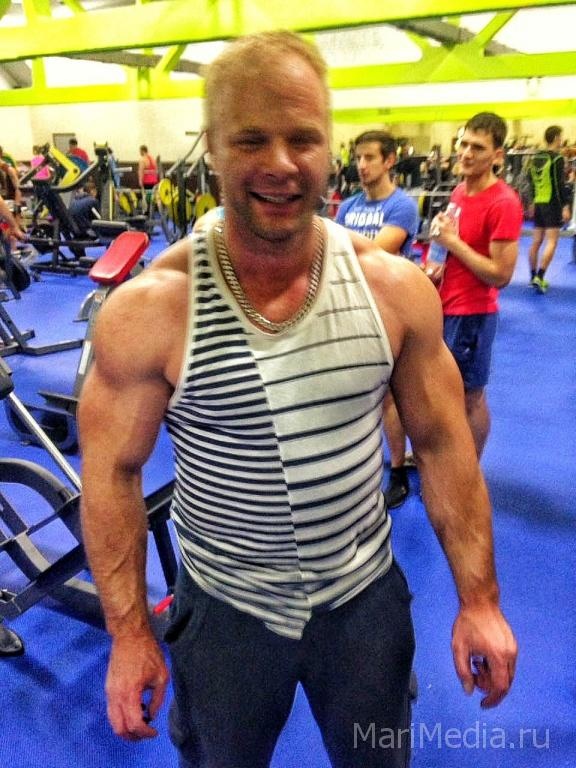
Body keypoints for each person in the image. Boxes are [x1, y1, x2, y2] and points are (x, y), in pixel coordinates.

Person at [79, 32, 517, 768]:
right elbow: (110, 473)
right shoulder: (153, 311)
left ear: (329, 148)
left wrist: (480, 600)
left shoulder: (394, 290)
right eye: (252, 139)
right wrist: (128, 635)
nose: (281, 164)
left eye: (303, 139)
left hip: (363, 598)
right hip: (225, 609)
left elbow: (444, 445)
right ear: (213, 149)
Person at [425, 112, 523, 458]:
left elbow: (501, 274)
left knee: (470, 397)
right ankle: (451, 457)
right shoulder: (459, 191)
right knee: (445, 391)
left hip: (473, 314)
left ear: (497, 155)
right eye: (463, 144)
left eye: (477, 147)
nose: (466, 153)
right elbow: (451, 246)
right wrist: (437, 263)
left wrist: (453, 243)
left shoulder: (503, 202)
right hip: (445, 304)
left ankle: (469, 468)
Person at [336, 130, 419, 509]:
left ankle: (399, 470)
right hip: (351, 307)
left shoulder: (402, 206)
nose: (362, 165)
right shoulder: (347, 207)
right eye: (358, 158)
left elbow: (376, 253)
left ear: (389, 161)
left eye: (370, 157)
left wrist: (337, 248)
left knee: (395, 396)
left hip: (392, 310)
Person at [526, 125, 572, 293]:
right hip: (552, 204)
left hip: (538, 203)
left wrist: (532, 201)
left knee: (536, 241)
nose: (562, 140)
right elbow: (559, 185)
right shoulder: (557, 159)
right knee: (552, 241)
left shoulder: (535, 157)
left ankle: (532, 277)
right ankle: (540, 276)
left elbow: (530, 181)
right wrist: (565, 205)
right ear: (555, 138)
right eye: (560, 137)